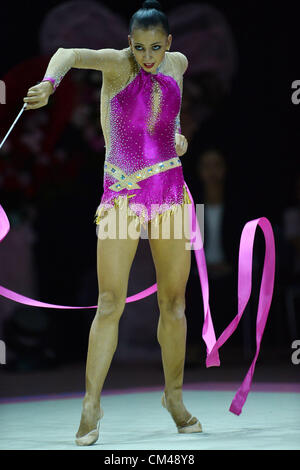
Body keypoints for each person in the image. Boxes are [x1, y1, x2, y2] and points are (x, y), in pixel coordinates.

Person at [23, 0, 202, 445]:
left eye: (155, 48)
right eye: (139, 47)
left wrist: (178, 138)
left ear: (169, 44)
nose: (147, 58)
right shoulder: (117, 65)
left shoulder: (177, 64)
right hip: (124, 194)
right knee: (109, 303)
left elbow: (170, 121)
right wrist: (48, 83)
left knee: (174, 304)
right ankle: (90, 404)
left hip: (170, 194)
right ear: (128, 43)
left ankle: (174, 397)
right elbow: (67, 52)